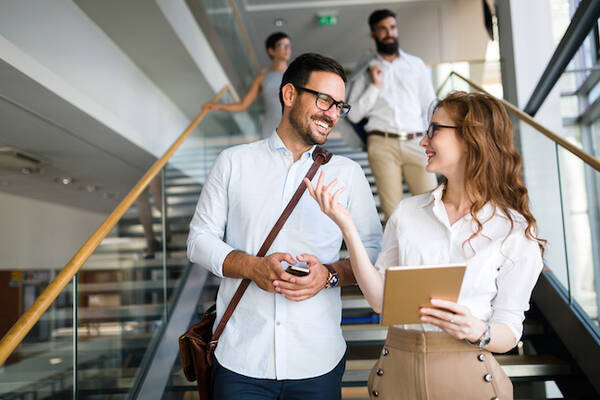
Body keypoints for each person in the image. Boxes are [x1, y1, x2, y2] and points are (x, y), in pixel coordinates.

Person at [305, 91, 545, 400]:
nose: (422, 141)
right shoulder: (407, 213)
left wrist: (478, 331)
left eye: (433, 130)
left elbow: (509, 330)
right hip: (398, 375)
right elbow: (381, 303)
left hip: (469, 378)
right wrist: (347, 228)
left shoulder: (514, 230)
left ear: (473, 138)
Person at [187, 53, 382, 400]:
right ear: (289, 94)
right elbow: (199, 240)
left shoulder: (348, 174)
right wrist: (253, 267)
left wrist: (329, 274)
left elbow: (372, 256)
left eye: (340, 105)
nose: (333, 114)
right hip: (240, 359)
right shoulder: (234, 162)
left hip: (317, 360)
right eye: (324, 100)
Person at [347, 9, 438, 222]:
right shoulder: (366, 71)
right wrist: (375, 86)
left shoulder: (415, 65)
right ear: (373, 34)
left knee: (433, 206)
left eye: (392, 28)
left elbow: (430, 105)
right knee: (394, 215)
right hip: (382, 144)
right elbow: (353, 114)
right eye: (383, 29)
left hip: (417, 142)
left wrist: (433, 139)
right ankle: (401, 256)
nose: (389, 33)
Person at [202, 32, 291, 138]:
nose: (287, 49)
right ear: (271, 50)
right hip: (270, 130)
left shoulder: (297, 75)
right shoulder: (262, 79)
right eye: (282, 45)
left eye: (289, 46)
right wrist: (218, 106)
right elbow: (243, 105)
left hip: (293, 129)